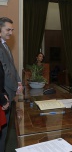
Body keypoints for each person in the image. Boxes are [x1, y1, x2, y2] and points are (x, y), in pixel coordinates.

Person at [0, 17, 23, 152]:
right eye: (8, 29)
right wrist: (16, 86)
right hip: (4, 94)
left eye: (12, 30)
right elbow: (4, 70)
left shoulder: (5, 45)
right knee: (2, 132)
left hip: (9, 91)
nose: (11, 32)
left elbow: (12, 67)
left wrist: (19, 81)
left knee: (5, 129)